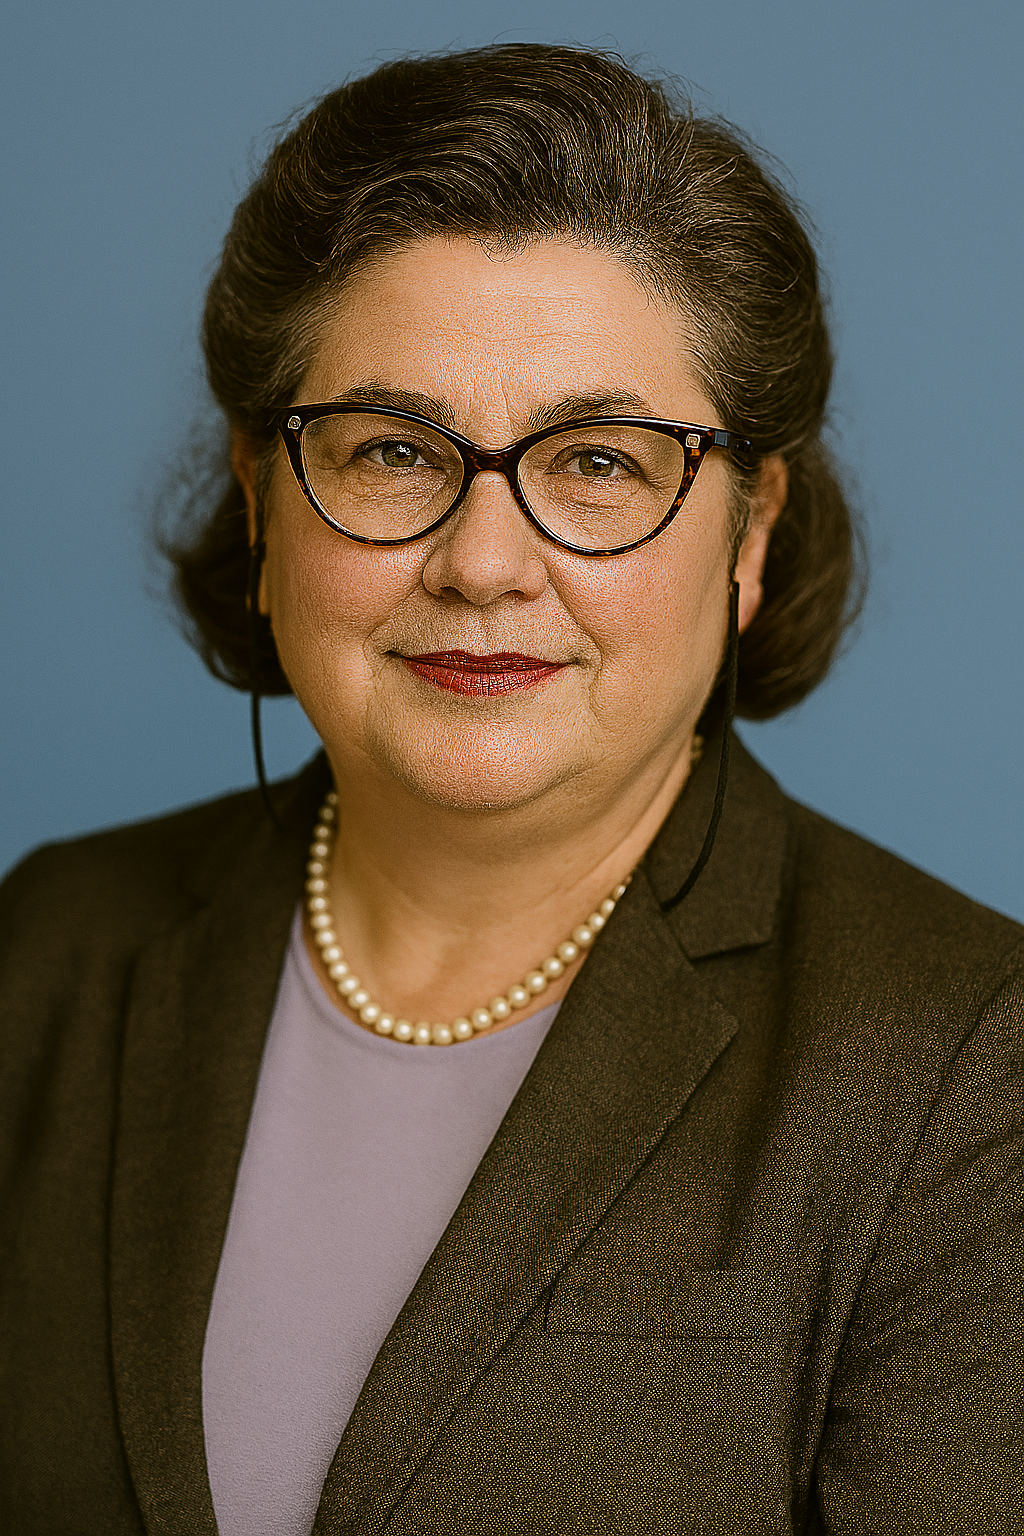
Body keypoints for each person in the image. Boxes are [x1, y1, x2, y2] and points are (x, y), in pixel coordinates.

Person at [1, 42, 1021, 1536]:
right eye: (395, 451)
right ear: (260, 497)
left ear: (751, 532)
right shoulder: (49, 949)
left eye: (601, 462)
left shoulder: (971, 1064)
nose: (483, 562)